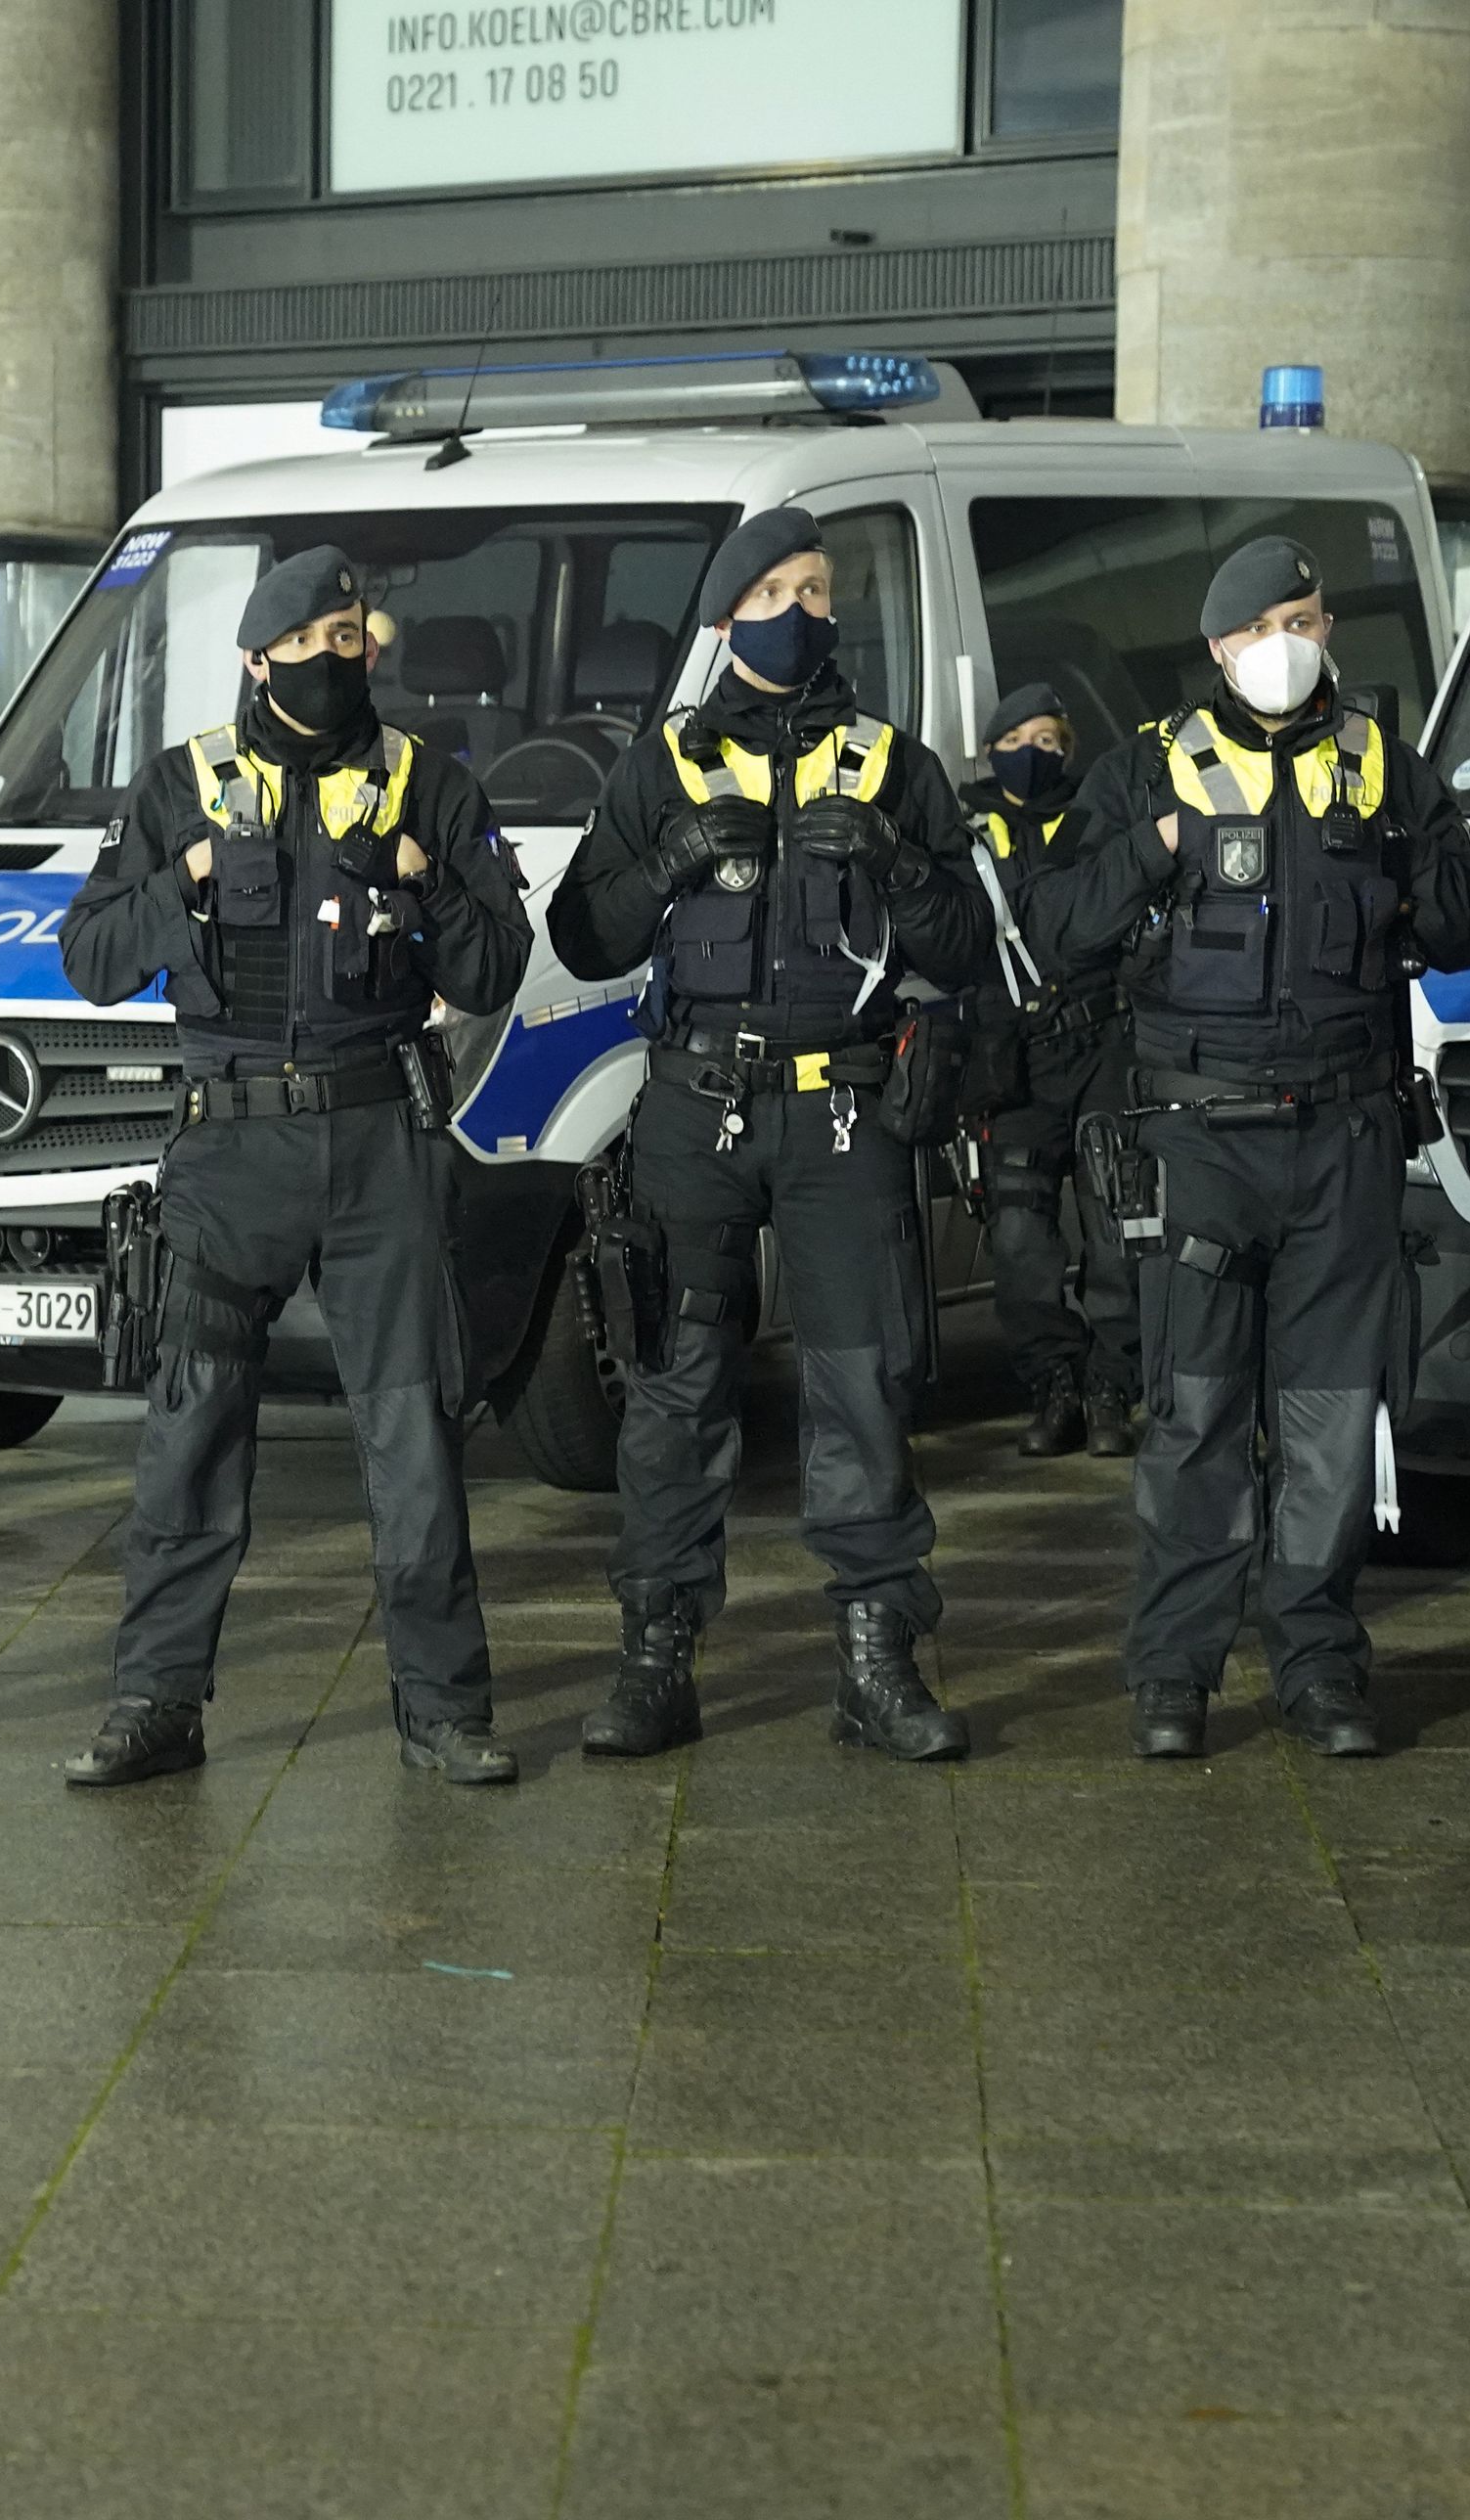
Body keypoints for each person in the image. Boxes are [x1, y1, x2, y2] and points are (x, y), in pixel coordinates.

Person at [55, 545, 531, 1789]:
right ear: (260, 659)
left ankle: (442, 1709)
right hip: (230, 1150)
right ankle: (156, 1701)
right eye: (322, 645)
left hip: (380, 1140)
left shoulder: (427, 785)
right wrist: (189, 877)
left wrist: (424, 894)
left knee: (412, 1434)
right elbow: (91, 956)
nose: (348, 661)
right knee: (189, 1436)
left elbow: (493, 970)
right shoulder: (182, 787)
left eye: (356, 640)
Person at [1047, 537, 1470, 1762]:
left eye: (1307, 617)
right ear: (1218, 648)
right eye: (1266, 625)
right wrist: (1153, 845)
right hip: (1199, 1139)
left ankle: (1317, 1666)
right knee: (1194, 1417)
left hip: (1344, 1138)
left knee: (1327, 1425)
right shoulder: (1150, 769)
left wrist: (1407, 863)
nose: (1290, 643)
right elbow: (1057, 926)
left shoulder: (1380, 769)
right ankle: (1174, 1675)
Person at [546, 506, 991, 1764]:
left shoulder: (890, 763)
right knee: (677, 1390)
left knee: (863, 1386)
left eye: (822, 589)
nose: (809, 611)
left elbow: (969, 946)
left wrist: (900, 868)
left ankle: (874, 1658)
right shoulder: (665, 764)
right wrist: (669, 862)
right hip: (696, 1109)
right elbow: (583, 936)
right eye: (783, 590)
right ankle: (656, 1657)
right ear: (729, 614)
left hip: (843, 1111)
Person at [958, 684, 1139, 1460]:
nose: (1041, 752)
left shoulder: (1101, 819)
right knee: (1022, 1237)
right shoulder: (967, 832)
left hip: (1102, 1048)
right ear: (994, 746)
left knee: (1117, 1227)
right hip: (1017, 1059)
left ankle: (1108, 1389)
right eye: (1023, 737)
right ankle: (1054, 1385)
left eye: (1053, 739)